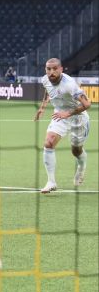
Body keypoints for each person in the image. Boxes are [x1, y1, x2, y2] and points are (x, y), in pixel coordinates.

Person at [34, 58, 92, 193]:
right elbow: (47, 91)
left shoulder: (70, 85)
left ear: (61, 69)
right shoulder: (45, 80)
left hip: (78, 118)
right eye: (48, 69)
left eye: (55, 69)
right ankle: (51, 182)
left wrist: (69, 113)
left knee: (76, 151)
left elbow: (87, 104)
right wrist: (42, 108)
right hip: (59, 116)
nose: (51, 72)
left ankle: (81, 168)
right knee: (48, 143)